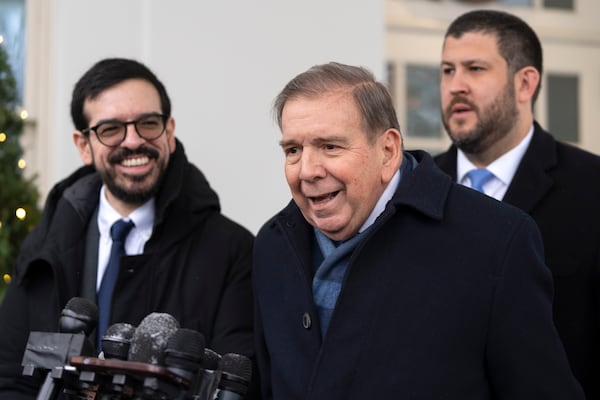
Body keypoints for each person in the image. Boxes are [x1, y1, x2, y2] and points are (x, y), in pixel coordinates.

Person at [252, 61, 585, 400]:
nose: (307, 170)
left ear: (388, 150)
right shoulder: (273, 245)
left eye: (330, 147)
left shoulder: (497, 242)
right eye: (293, 150)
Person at [0, 58, 255, 399]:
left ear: (170, 132)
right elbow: (10, 379)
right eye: (111, 129)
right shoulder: (44, 246)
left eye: (148, 124)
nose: (133, 141)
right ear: (83, 145)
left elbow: (238, 385)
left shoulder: (232, 252)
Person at [434, 10, 600, 398]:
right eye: (446, 70)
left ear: (525, 83)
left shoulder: (592, 188)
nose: (455, 85)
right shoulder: (411, 190)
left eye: (475, 68)